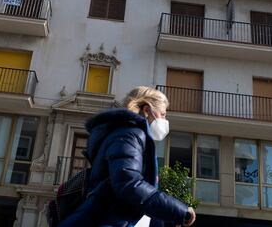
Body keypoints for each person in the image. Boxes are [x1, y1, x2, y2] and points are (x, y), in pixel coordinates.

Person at [58, 86, 196, 227]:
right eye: (163, 114)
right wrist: (178, 211)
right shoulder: (129, 135)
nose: (165, 121)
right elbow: (129, 184)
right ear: (147, 110)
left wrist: (167, 216)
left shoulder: (127, 135)